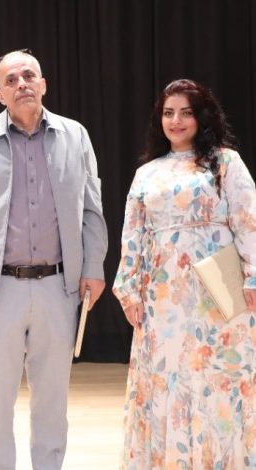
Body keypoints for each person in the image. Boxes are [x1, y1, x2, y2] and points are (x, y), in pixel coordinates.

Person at [0, 50, 108, 470]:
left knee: (53, 402)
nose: (21, 83)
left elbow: (91, 208)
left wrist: (93, 267)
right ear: (0, 95)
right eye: (11, 79)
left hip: (59, 287)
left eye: (28, 76)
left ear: (43, 84)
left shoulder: (75, 136)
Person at [113, 79, 256, 468]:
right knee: (169, 376)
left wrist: (252, 277)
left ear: (201, 116)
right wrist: (129, 290)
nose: (176, 121)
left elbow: (248, 222)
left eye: (186, 112)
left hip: (218, 290)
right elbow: (133, 235)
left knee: (218, 377)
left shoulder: (226, 162)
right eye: (168, 113)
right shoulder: (147, 173)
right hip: (164, 296)